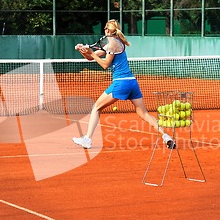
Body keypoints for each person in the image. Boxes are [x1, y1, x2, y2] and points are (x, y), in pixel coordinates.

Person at [73, 19, 175, 149]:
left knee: (96, 107)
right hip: (132, 83)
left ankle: (87, 139)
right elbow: (90, 58)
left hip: (121, 83)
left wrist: (91, 52)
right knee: (144, 113)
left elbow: (105, 64)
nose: (104, 30)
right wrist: (82, 50)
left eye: (105, 28)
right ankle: (166, 136)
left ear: (108, 31)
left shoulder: (113, 45)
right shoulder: (114, 43)